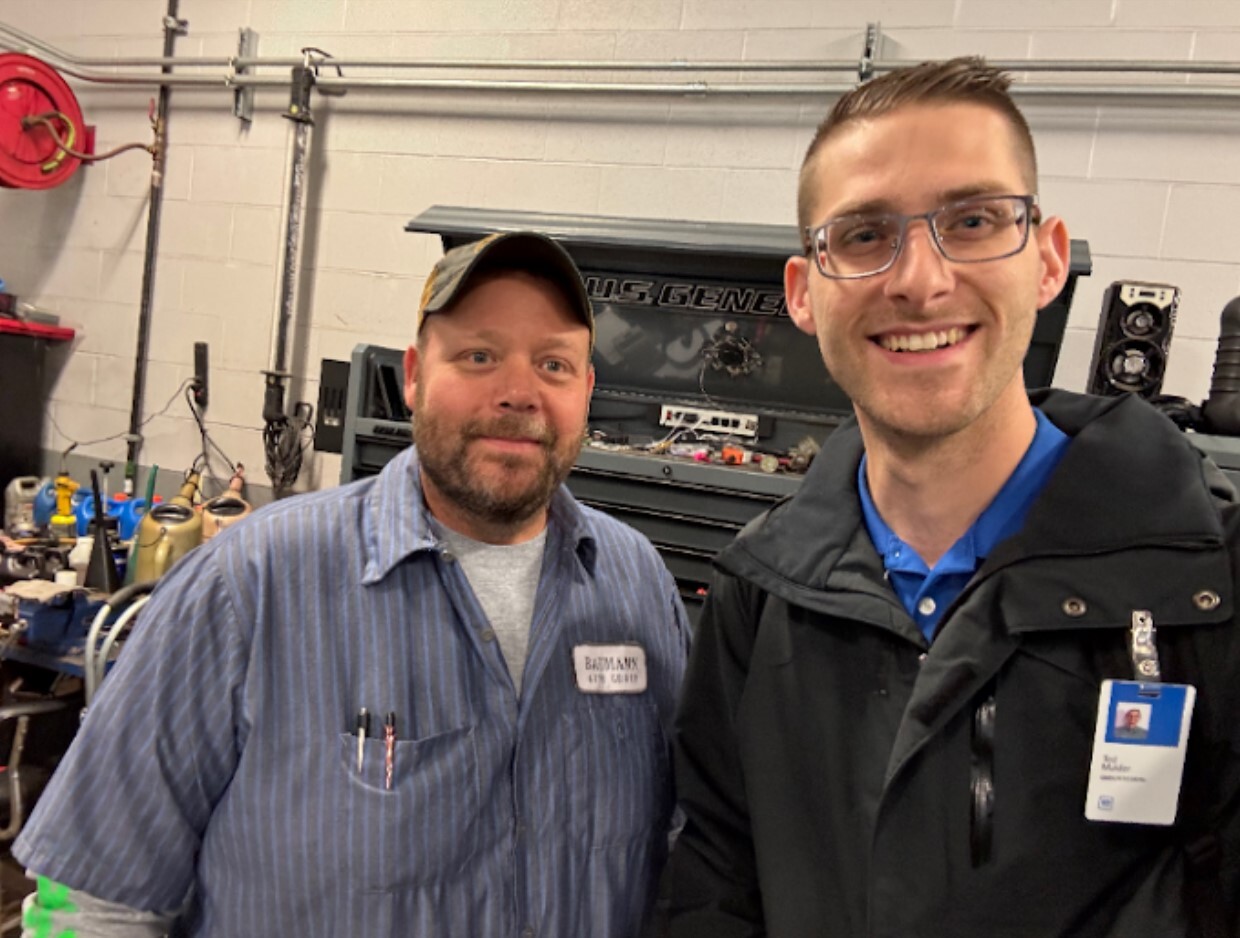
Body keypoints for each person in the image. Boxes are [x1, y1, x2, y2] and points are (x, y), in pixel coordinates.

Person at [668, 57, 1240, 937]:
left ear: (1047, 262)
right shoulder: (758, 599)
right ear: (803, 294)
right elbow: (716, 878)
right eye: (863, 236)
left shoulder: (1210, 583)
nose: (920, 280)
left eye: (973, 221)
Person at [15, 231, 691, 938]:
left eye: (553, 364)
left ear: (585, 392)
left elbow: (683, 849)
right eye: (479, 356)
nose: (518, 393)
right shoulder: (249, 584)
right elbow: (95, 904)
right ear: (413, 376)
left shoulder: (636, 584)